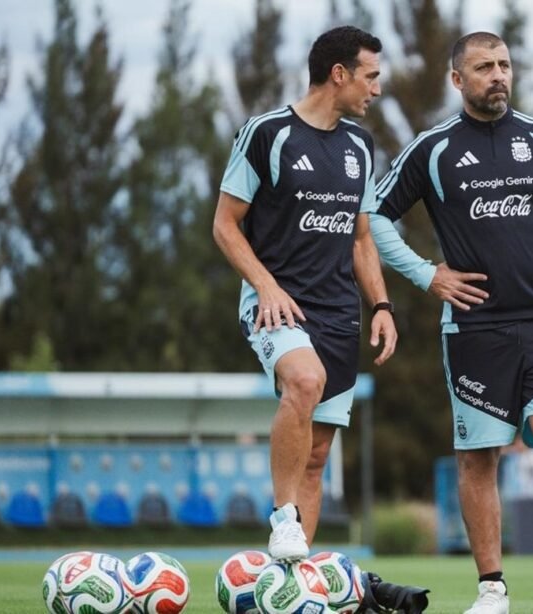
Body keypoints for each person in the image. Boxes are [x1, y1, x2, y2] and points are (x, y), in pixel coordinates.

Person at [370, 31, 533, 614]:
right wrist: (426, 274)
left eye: (505, 64)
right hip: (474, 330)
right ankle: (492, 590)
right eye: (484, 66)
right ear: (458, 80)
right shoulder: (432, 148)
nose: (498, 75)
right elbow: (374, 215)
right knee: (479, 456)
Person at [213, 26, 397, 562]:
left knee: (316, 458)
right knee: (304, 378)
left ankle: (291, 583)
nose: (376, 90)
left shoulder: (360, 146)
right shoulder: (266, 133)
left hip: (340, 314)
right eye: (371, 77)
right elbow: (225, 225)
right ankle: (283, 516)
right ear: (338, 74)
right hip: (277, 304)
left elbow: (360, 236)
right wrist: (265, 285)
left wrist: (382, 305)